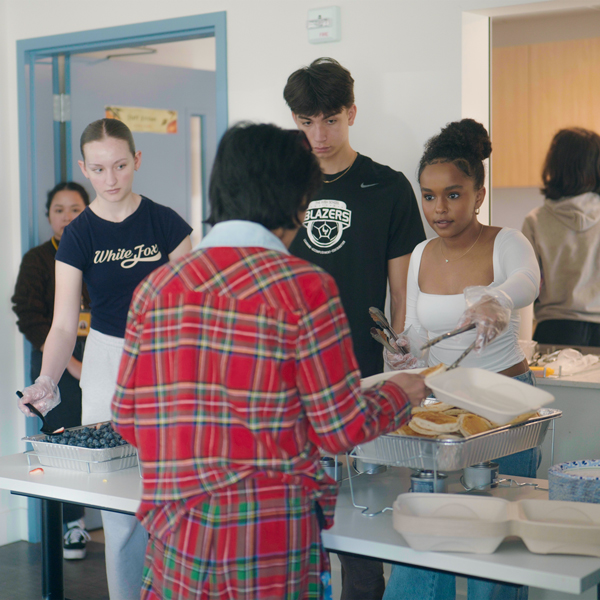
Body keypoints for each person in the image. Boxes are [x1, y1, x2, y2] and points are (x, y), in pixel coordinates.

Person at [110, 122, 430, 600]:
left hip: (176, 540)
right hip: (267, 545)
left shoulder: (157, 289)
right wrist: (400, 392)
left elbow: (127, 418)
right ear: (297, 201)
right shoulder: (303, 287)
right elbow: (338, 427)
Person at [17, 118, 192, 600]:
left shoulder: (166, 222)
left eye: (120, 165)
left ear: (137, 161)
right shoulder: (78, 236)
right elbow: (60, 325)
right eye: (98, 169)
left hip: (166, 360)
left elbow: (194, 307)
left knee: (174, 497)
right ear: (84, 168)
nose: (111, 178)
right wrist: (47, 380)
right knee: (117, 510)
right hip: (107, 360)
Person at [284, 57, 426, 600]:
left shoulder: (387, 187)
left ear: (352, 113)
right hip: (290, 376)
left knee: (363, 522)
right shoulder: (283, 189)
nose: (318, 136)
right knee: (299, 520)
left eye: (330, 121)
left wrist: (400, 351)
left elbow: (402, 289)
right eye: (305, 123)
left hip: (361, 375)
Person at [383, 118, 541, 600]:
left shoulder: (506, 241)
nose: (439, 208)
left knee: (493, 544)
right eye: (429, 196)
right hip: (444, 411)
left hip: (504, 409)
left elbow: (528, 282)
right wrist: (403, 349)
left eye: (453, 194)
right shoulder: (420, 253)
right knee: (429, 534)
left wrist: (498, 299)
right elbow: (414, 330)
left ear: (479, 193)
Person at [12, 181, 92, 560]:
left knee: (102, 437)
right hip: (55, 364)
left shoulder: (99, 253)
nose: (66, 216)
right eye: (59, 209)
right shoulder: (37, 259)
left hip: (97, 357)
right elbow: (29, 316)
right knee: (62, 444)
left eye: (75, 209)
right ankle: (71, 526)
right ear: (48, 215)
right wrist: (70, 364)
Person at [522, 127, 600, 347]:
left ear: (555, 165)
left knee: (552, 384)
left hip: (555, 331)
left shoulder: (536, 220)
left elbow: (527, 286)